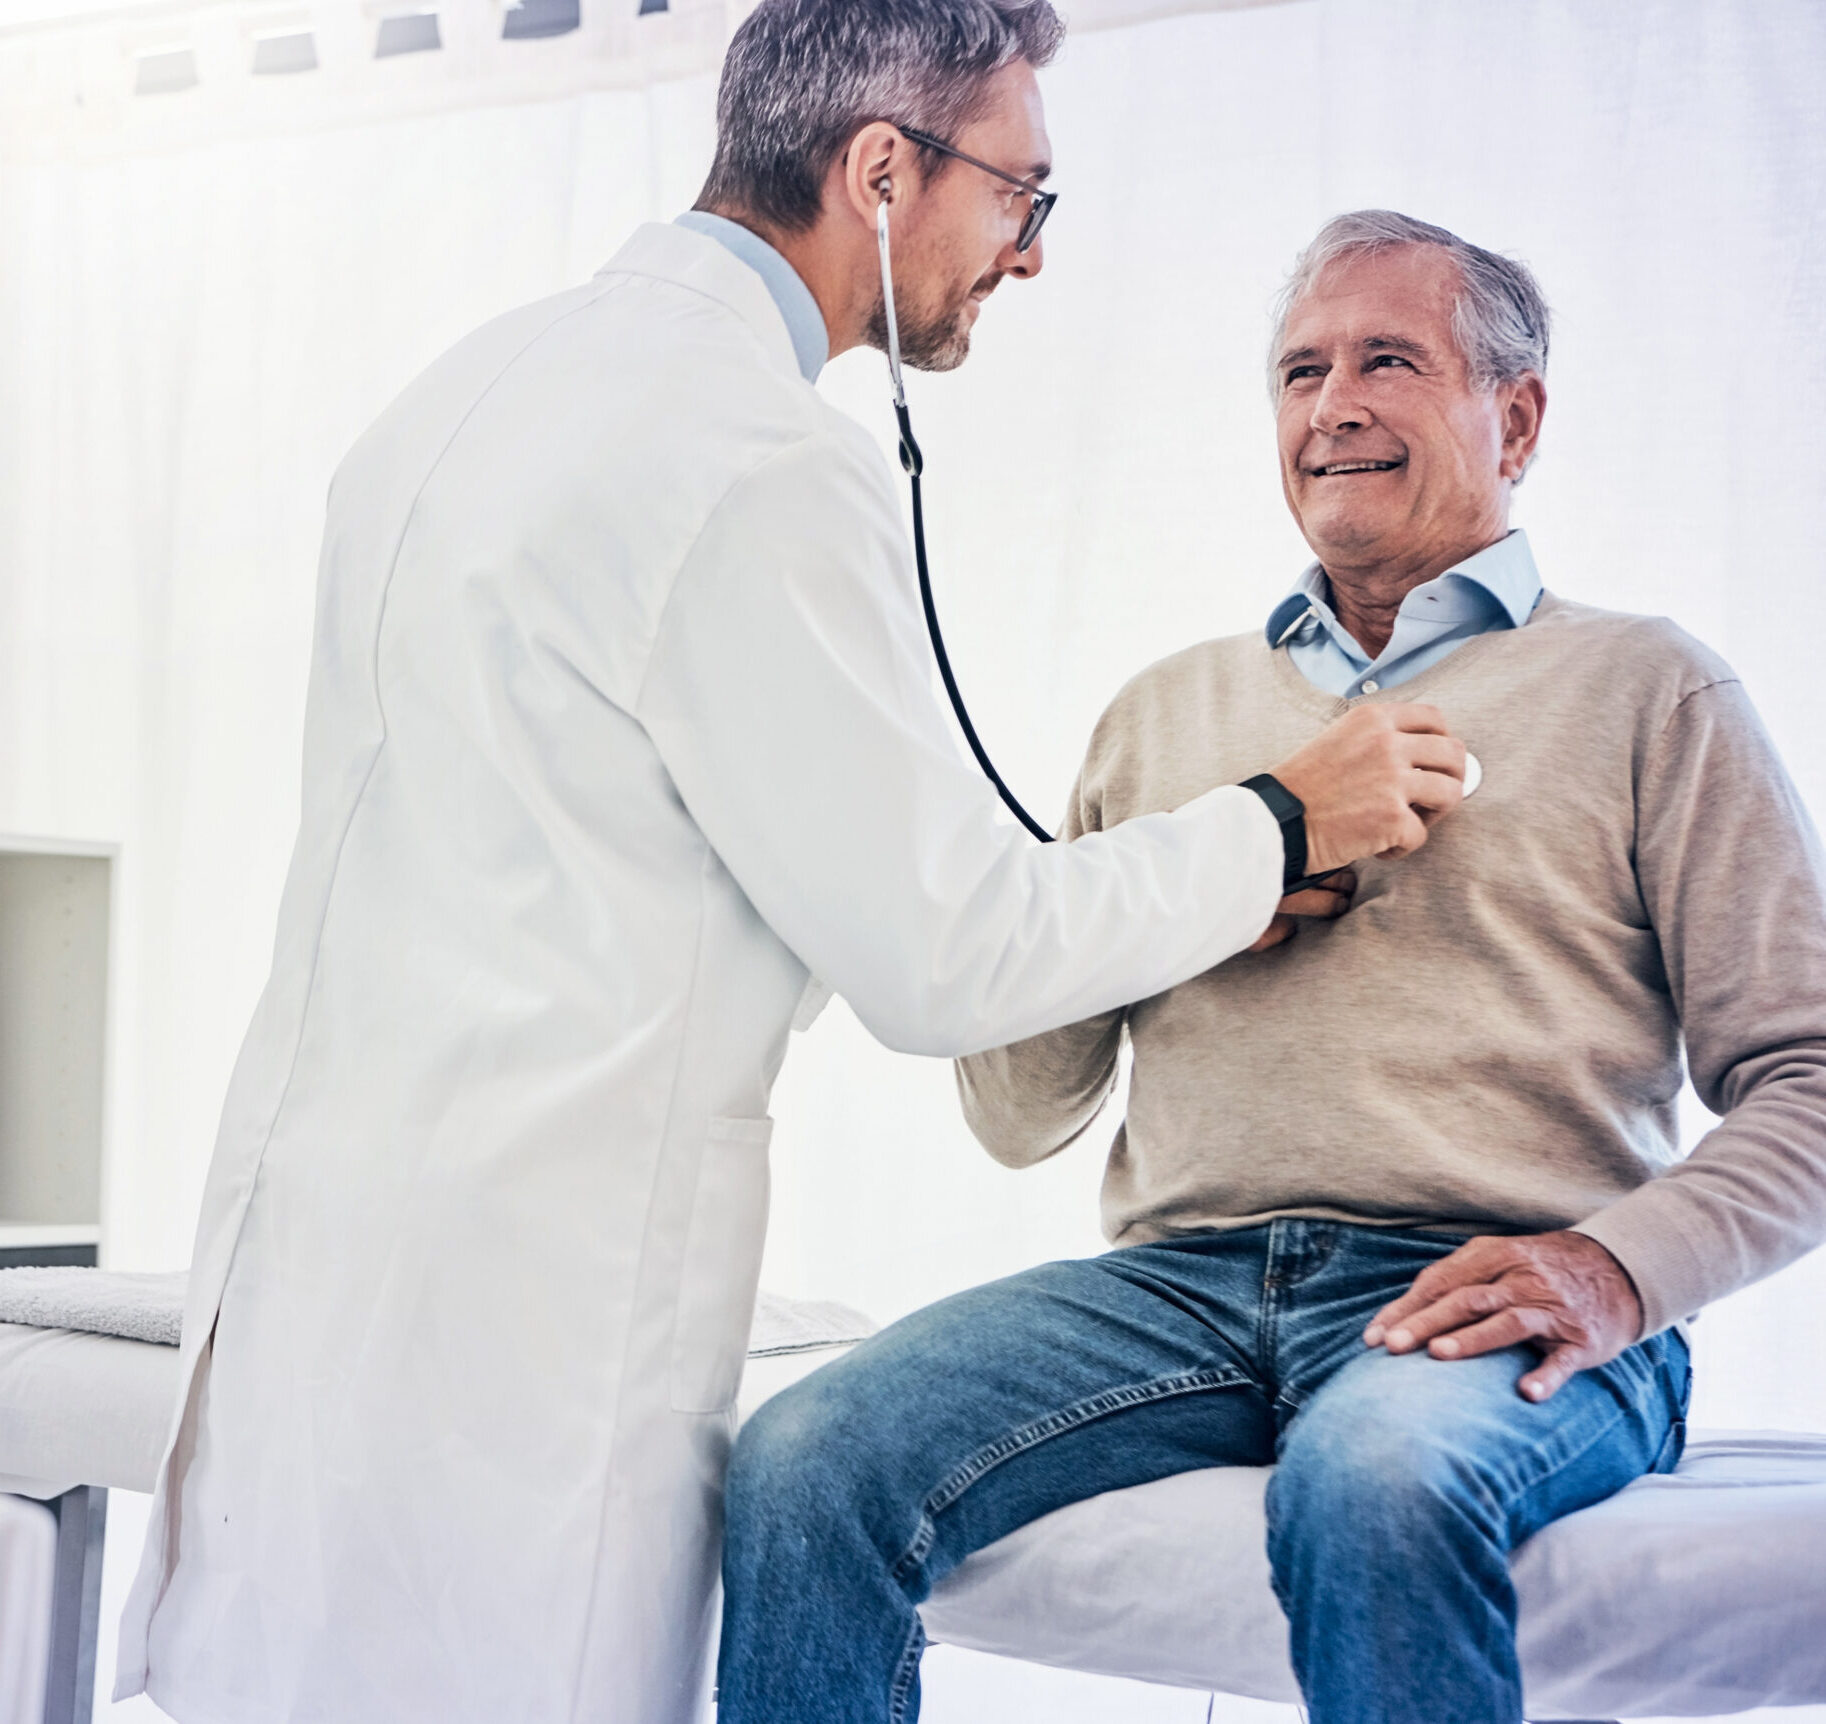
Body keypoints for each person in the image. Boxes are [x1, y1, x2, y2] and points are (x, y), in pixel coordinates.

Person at [113, 13, 1468, 1724]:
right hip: (527, 1320)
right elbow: (946, 956)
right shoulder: (755, 461)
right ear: (883, 172)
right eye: (1021, 194)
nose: (1030, 256)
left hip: (322, 1264)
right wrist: (1277, 821)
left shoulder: (455, 394)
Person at [717, 210, 1826, 1724]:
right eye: (1301, 370)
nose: (1331, 405)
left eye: (1387, 360)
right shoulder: (1163, 716)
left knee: (1377, 1484)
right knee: (799, 1457)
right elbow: (1015, 1110)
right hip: (1174, 1289)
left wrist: (1613, 1273)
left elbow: (1809, 1080)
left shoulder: (1648, 687)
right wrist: (1189, 886)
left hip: (1474, 1288)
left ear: (1517, 415)